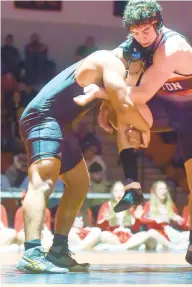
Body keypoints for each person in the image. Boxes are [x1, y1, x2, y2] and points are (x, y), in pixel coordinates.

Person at [81, 0, 192, 270]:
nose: (141, 37)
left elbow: (140, 93)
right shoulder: (134, 43)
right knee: (122, 111)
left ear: (158, 24)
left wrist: (104, 96)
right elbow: (108, 65)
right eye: (136, 31)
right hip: (162, 110)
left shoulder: (173, 48)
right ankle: (132, 185)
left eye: (146, 31)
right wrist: (107, 104)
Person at [17, 50, 150, 273]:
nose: (139, 75)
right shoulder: (110, 61)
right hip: (43, 117)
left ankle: (58, 250)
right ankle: (31, 253)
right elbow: (125, 105)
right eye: (140, 69)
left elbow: (111, 119)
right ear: (132, 59)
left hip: (63, 125)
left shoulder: (110, 76)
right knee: (43, 181)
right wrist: (146, 128)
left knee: (79, 184)